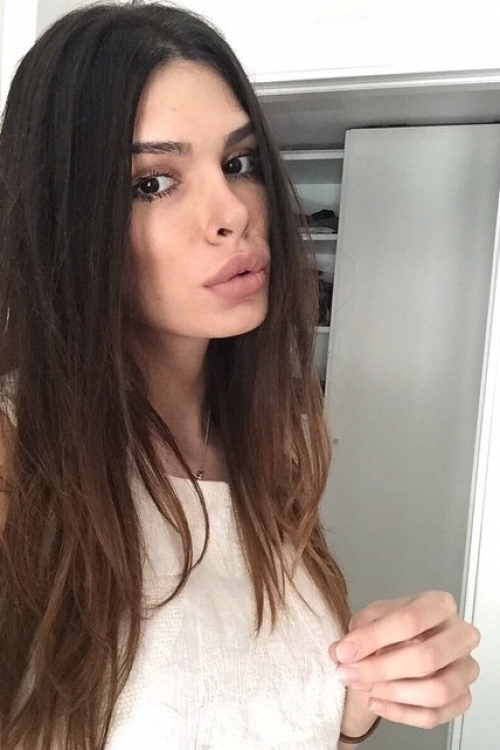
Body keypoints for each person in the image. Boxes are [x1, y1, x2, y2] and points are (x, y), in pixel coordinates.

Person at [0, 3, 480, 749]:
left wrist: (362, 699)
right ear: (64, 217)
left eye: (239, 163)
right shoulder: (17, 456)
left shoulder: (273, 444)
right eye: (152, 183)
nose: (232, 212)